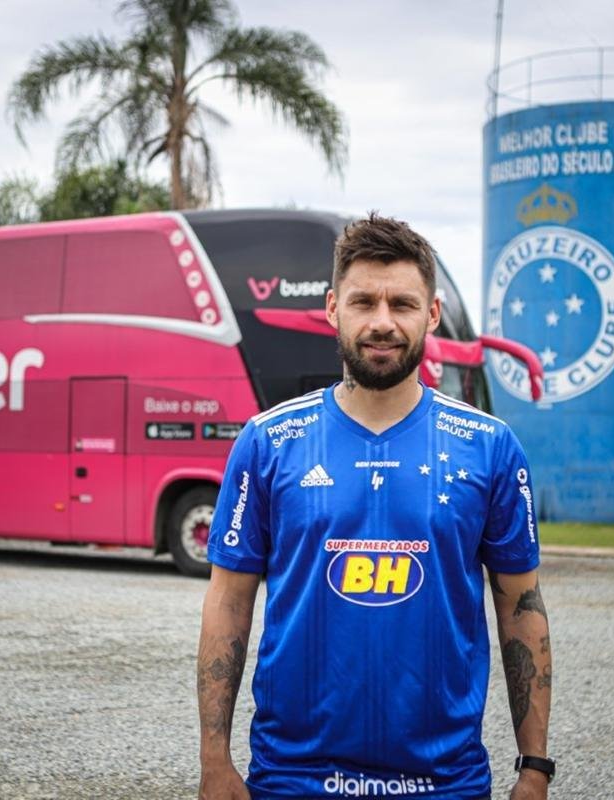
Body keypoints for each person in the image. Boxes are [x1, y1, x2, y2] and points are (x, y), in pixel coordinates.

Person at [197, 213, 553, 799]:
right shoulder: (268, 443)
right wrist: (214, 760)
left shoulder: (490, 446)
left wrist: (535, 767)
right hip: (294, 779)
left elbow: (522, 607)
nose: (382, 322)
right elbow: (228, 604)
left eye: (403, 304)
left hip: (444, 782)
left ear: (431, 314)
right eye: (364, 302)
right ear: (333, 309)